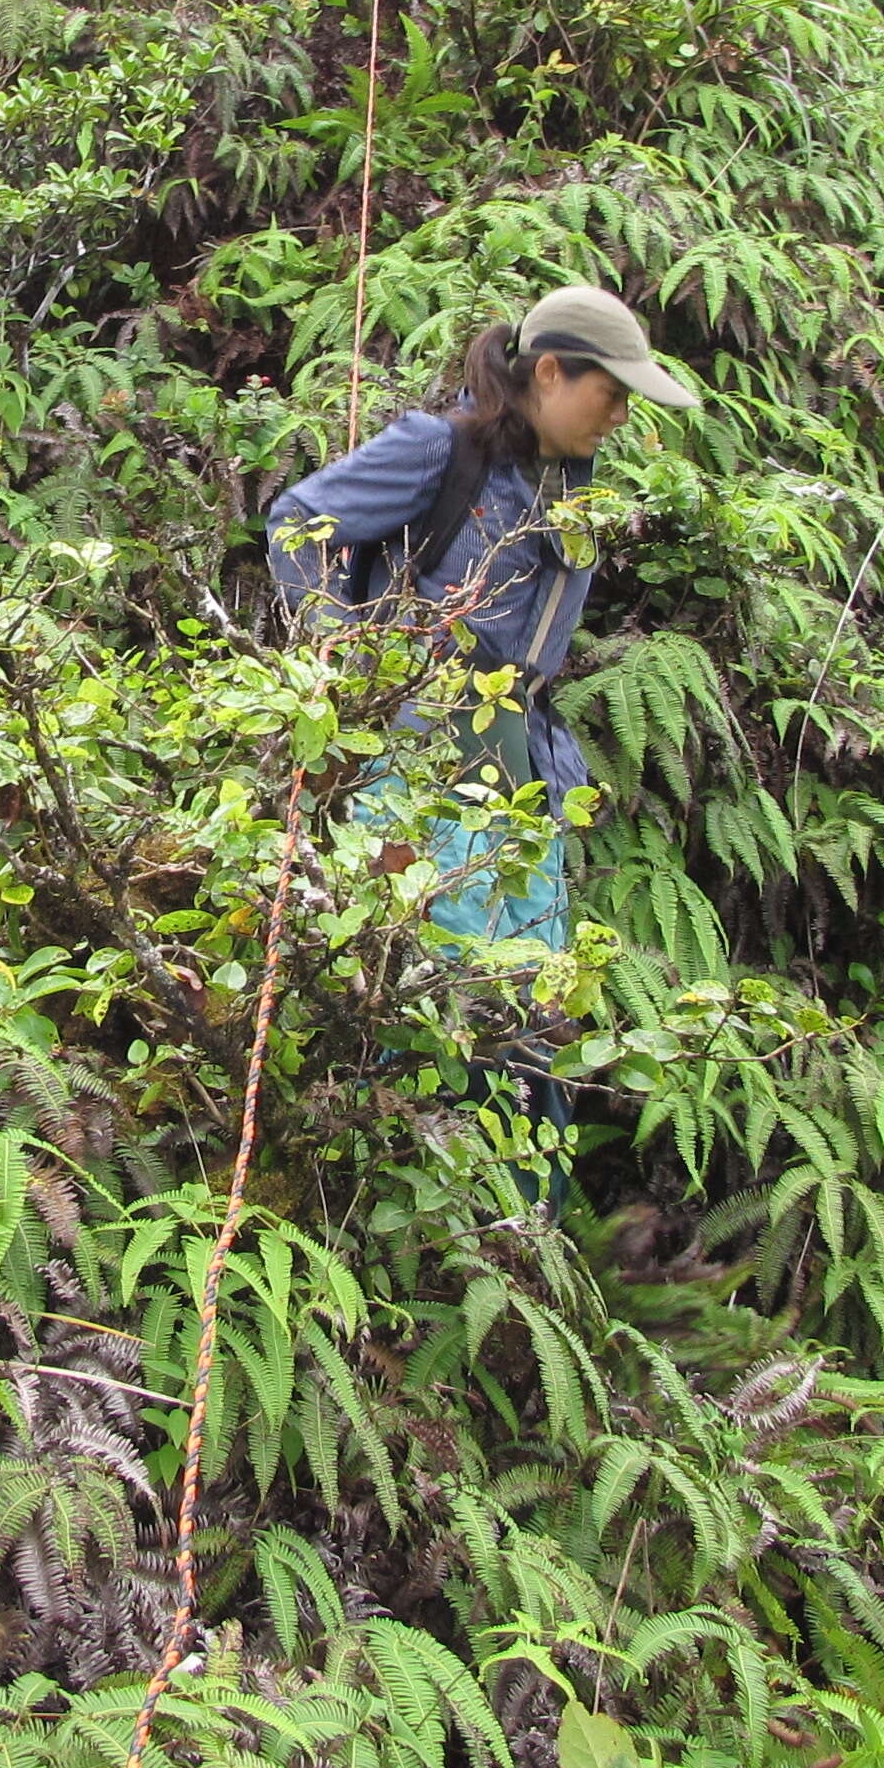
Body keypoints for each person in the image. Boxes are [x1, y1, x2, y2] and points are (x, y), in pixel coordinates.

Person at [264, 283, 701, 1192]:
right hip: (415, 767)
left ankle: (517, 1227)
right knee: (427, 998)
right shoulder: (440, 450)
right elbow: (297, 521)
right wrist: (345, 659)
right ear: (549, 371)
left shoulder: (572, 485)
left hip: (520, 773)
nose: (621, 415)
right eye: (611, 392)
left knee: (533, 1011)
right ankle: (404, 1200)